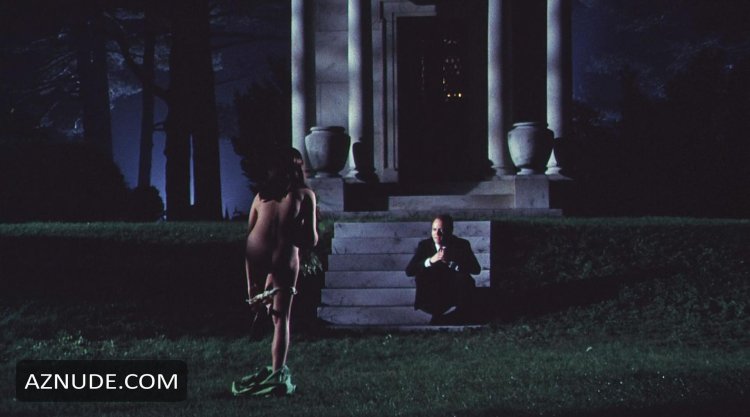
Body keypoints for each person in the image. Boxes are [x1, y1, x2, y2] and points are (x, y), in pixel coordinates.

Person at [232, 146, 318, 397]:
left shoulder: (260, 197)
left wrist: (251, 283)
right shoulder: (304, 195)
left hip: (256, 257)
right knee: (282, 320)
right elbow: (311, 240)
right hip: (283, 259)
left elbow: (249, 236)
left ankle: (264, 298)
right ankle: (278, 371)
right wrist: (295, 229)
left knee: (272, 308)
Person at [405, 214, 480, 324]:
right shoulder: (424, 245)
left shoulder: (462, 244)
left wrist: (453, 264)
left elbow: (476, 269)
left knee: (465, 278)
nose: (437, 234)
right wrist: (430, 261)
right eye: (434, 229)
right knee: (424, 273)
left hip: (453, 289)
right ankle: (437, 315)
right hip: (431, 291)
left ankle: (459, 314)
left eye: (441, 230)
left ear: (450, 231)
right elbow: (409, 271)